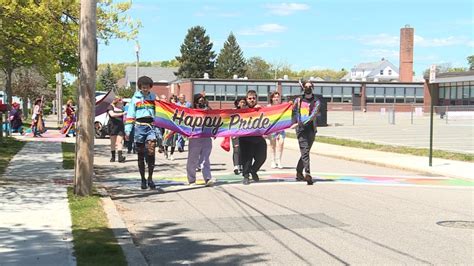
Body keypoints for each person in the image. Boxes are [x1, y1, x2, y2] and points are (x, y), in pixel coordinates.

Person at [125, 76, 158, 190]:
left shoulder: (153, 97)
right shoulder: (135, 99)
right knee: (140, 155)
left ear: (150, 87)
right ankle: (143, 179)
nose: (145, 89)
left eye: (147, 88)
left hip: (151, 127)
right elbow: (130, 114)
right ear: (140, 87)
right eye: (143, 87)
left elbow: (159, 112)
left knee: (151, 151)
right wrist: (128, 130)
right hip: (139, 127)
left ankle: (150, 178)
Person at [290, 81, 321, 185]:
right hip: (301, 130)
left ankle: (299, 172)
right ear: (303, 87)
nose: (308, 88)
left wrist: (299, 123)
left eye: (309, 86)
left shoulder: (316, 101)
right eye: (306, 86)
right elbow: (293, 111)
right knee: (305, 151)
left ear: (312, 88)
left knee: (305, 152)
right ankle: (308, 174)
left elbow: (313, 116)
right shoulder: (298, 100)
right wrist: (294, 123)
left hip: (311, 129)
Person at [186, 93, 215, 187]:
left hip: (206, 137)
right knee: (192, 159)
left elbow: (216, 120)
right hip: (195, 137)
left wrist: (215, 132)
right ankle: (191, 180)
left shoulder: (208, 110)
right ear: (195, 102)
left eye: (203, 100)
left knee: (205, 159)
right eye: (199, 101)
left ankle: (207, 178)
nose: (201, 102)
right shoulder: (191, 111)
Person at [239, 90, 267, 185]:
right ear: (246, 99)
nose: (252, 100)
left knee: (262, 157)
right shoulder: (243, 109)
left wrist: (260, 110)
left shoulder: (260, 109)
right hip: (245, 138)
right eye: (250, 98)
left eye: (253, 98)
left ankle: (253, 170)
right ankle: (246, 176)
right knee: (247, 158)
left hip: (258, 137)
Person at [267, 91, 286, 169]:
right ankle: (273, 161)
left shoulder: (282, 106)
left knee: (281, 143)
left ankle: (279, 160)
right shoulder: (269, 106)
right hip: (272, 128)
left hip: (281, 128)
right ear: (271, 98)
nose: (276, 98)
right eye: (275, 97)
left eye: (278, 97)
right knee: (272, 145)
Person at [108, 97, 126, 163]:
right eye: (121, 102)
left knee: (119, 141)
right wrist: (122, 114)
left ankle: (120, 157)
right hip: (113, 126)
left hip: (120, 126)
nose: (122, 103)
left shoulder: (122, 108)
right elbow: (112, 114)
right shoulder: (111, 107)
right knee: (113, 142)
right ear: (117, 102)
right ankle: (113, 157)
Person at [231, 97, 246, 174]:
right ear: (237, 103)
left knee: (243, 150)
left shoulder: (248, 112)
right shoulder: (233, 111)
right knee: (236, 149)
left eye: (244, 102)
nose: (242, 104)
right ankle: (236, 166)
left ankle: (241, 165)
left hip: (245, 133)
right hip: (235, 132)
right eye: (241, 102)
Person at [163, 95, 178, 160]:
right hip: (168, 125)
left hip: (175, 126)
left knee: (173, 142)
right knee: (166, 140)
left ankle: (171, 154)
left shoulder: (178, 107)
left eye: (174, 99)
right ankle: (166, 151)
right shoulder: (168, 106)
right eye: (172, 99)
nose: (173, 100)